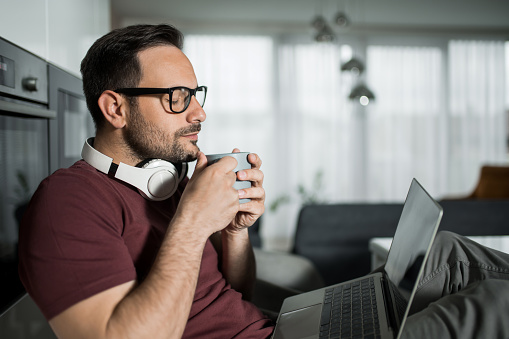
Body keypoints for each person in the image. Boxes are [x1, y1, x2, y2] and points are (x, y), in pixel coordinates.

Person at [18, 23, 509, 339]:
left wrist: (234, 229)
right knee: (495, 304)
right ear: (114, 107)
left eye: (196, 94)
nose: (199, 112)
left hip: (277, 330)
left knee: (448, 252)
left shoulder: (165, 180)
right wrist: (191, 222)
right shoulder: (68, 203)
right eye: (177, 97)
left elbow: (236, 295)